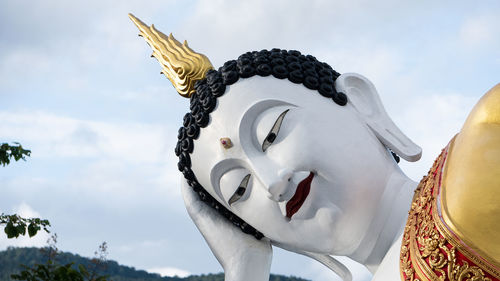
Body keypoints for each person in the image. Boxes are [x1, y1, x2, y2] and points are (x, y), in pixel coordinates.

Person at [129, 14, 500, 281]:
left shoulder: (485, 140)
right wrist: (245, 265)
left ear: (359, 102)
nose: (273, 183)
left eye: (271, 134)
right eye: (239, 190)